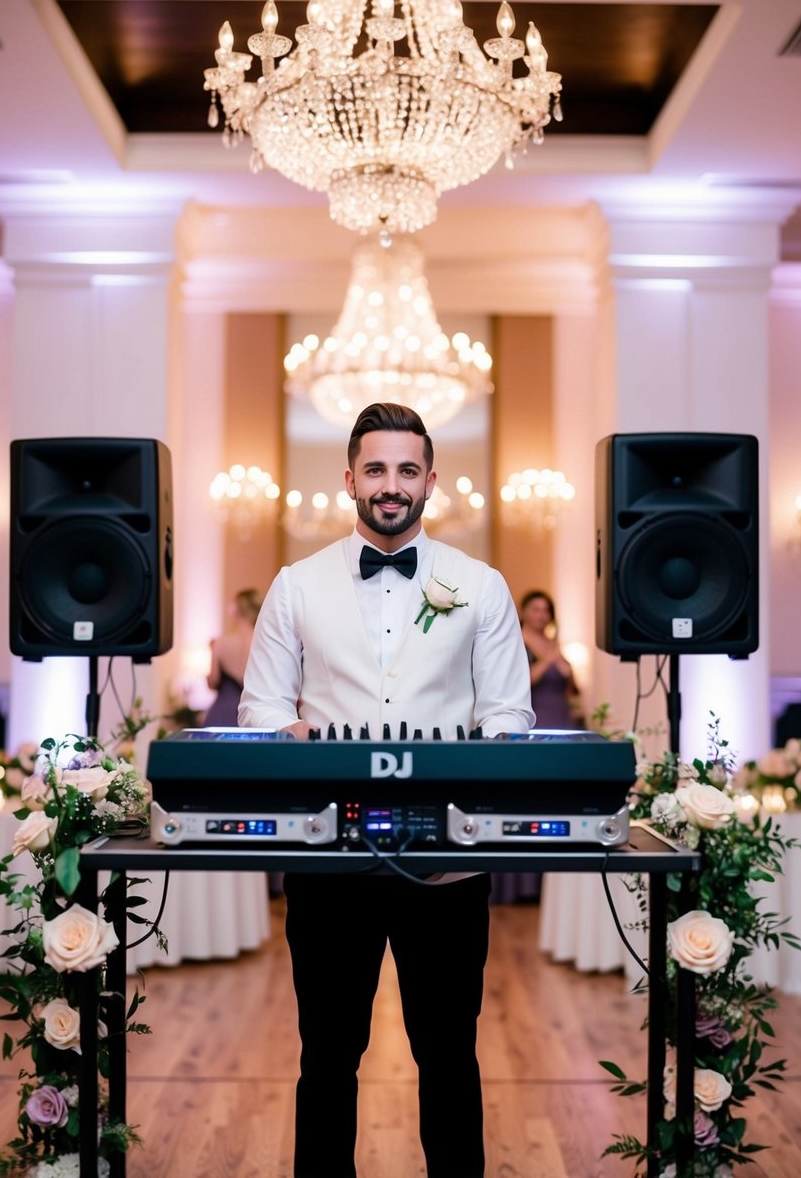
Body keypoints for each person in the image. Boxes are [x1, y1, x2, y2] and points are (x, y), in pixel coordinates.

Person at [239, 402, 533, 1178]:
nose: (391, 485)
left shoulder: (481, 585)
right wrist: (283, 734)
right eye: (375, 469)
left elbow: (508, 716)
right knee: (327, 1057)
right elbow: (261, 705)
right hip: (328, 856)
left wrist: (486, 762)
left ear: (431, 480)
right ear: (348, 480)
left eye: (406, 470)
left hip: (448, 860)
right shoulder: (295, 585)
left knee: (449, 1056)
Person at [519, 588, 584, 730]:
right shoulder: (518, 643)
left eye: (546, 610)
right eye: (536, 610)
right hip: (535, 715)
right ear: (523, 612)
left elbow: (571, 686)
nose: (541, 615)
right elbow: (520, 682)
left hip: (562, 714)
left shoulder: (553, 644)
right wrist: (547, 661)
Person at [202, 588, 262, 727]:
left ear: (237, 610)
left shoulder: (220, 644)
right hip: (254, 712)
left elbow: (213, 682)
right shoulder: (263, 643)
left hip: (224, 712)